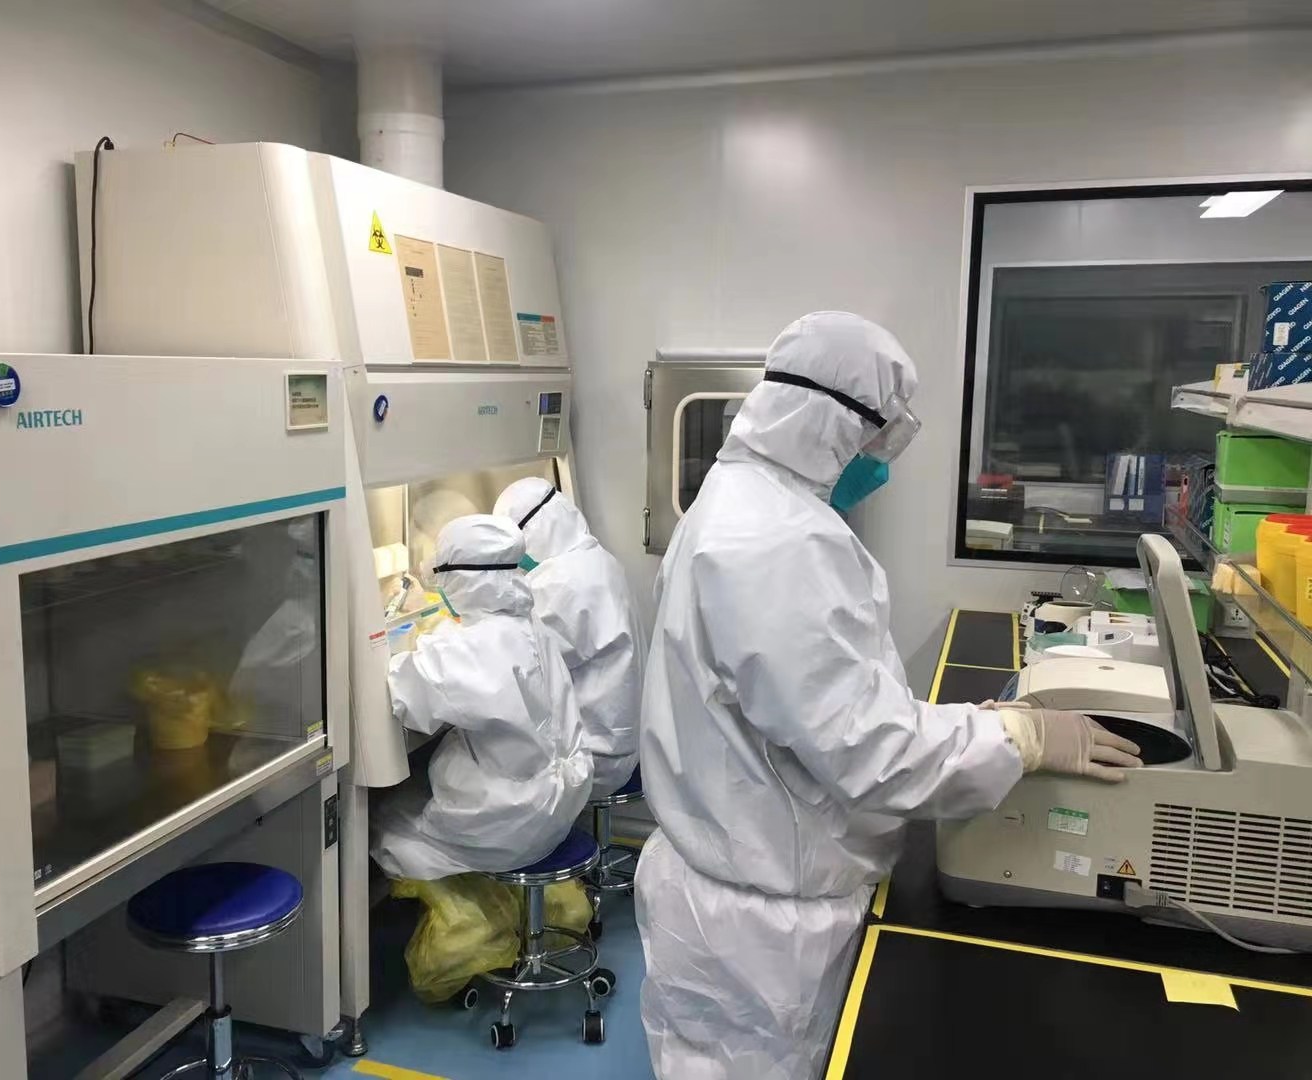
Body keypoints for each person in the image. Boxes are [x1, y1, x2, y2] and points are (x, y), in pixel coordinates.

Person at [635, 311, 1142, 1080]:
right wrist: (1020, 739)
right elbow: (868, 753)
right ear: (832, 422)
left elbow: (823, 713)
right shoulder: (780, 544)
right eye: (878, 440)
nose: (879, 462)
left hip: (722, 885)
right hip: (767, 932)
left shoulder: (734, 502)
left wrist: (971, 726)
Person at [371, 514, 594, 880]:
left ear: (463, 579)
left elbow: (405, 694)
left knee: (385, 826)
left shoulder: (472, 647)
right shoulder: (529, 623)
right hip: (560, 804)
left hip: (508, 821)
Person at [494, 477, 645, 798]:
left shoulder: (561, 583)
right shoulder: (595, 558)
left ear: (535, 530)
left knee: (459, 773)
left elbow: (518, 667)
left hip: (594, 756)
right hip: (620, 740)